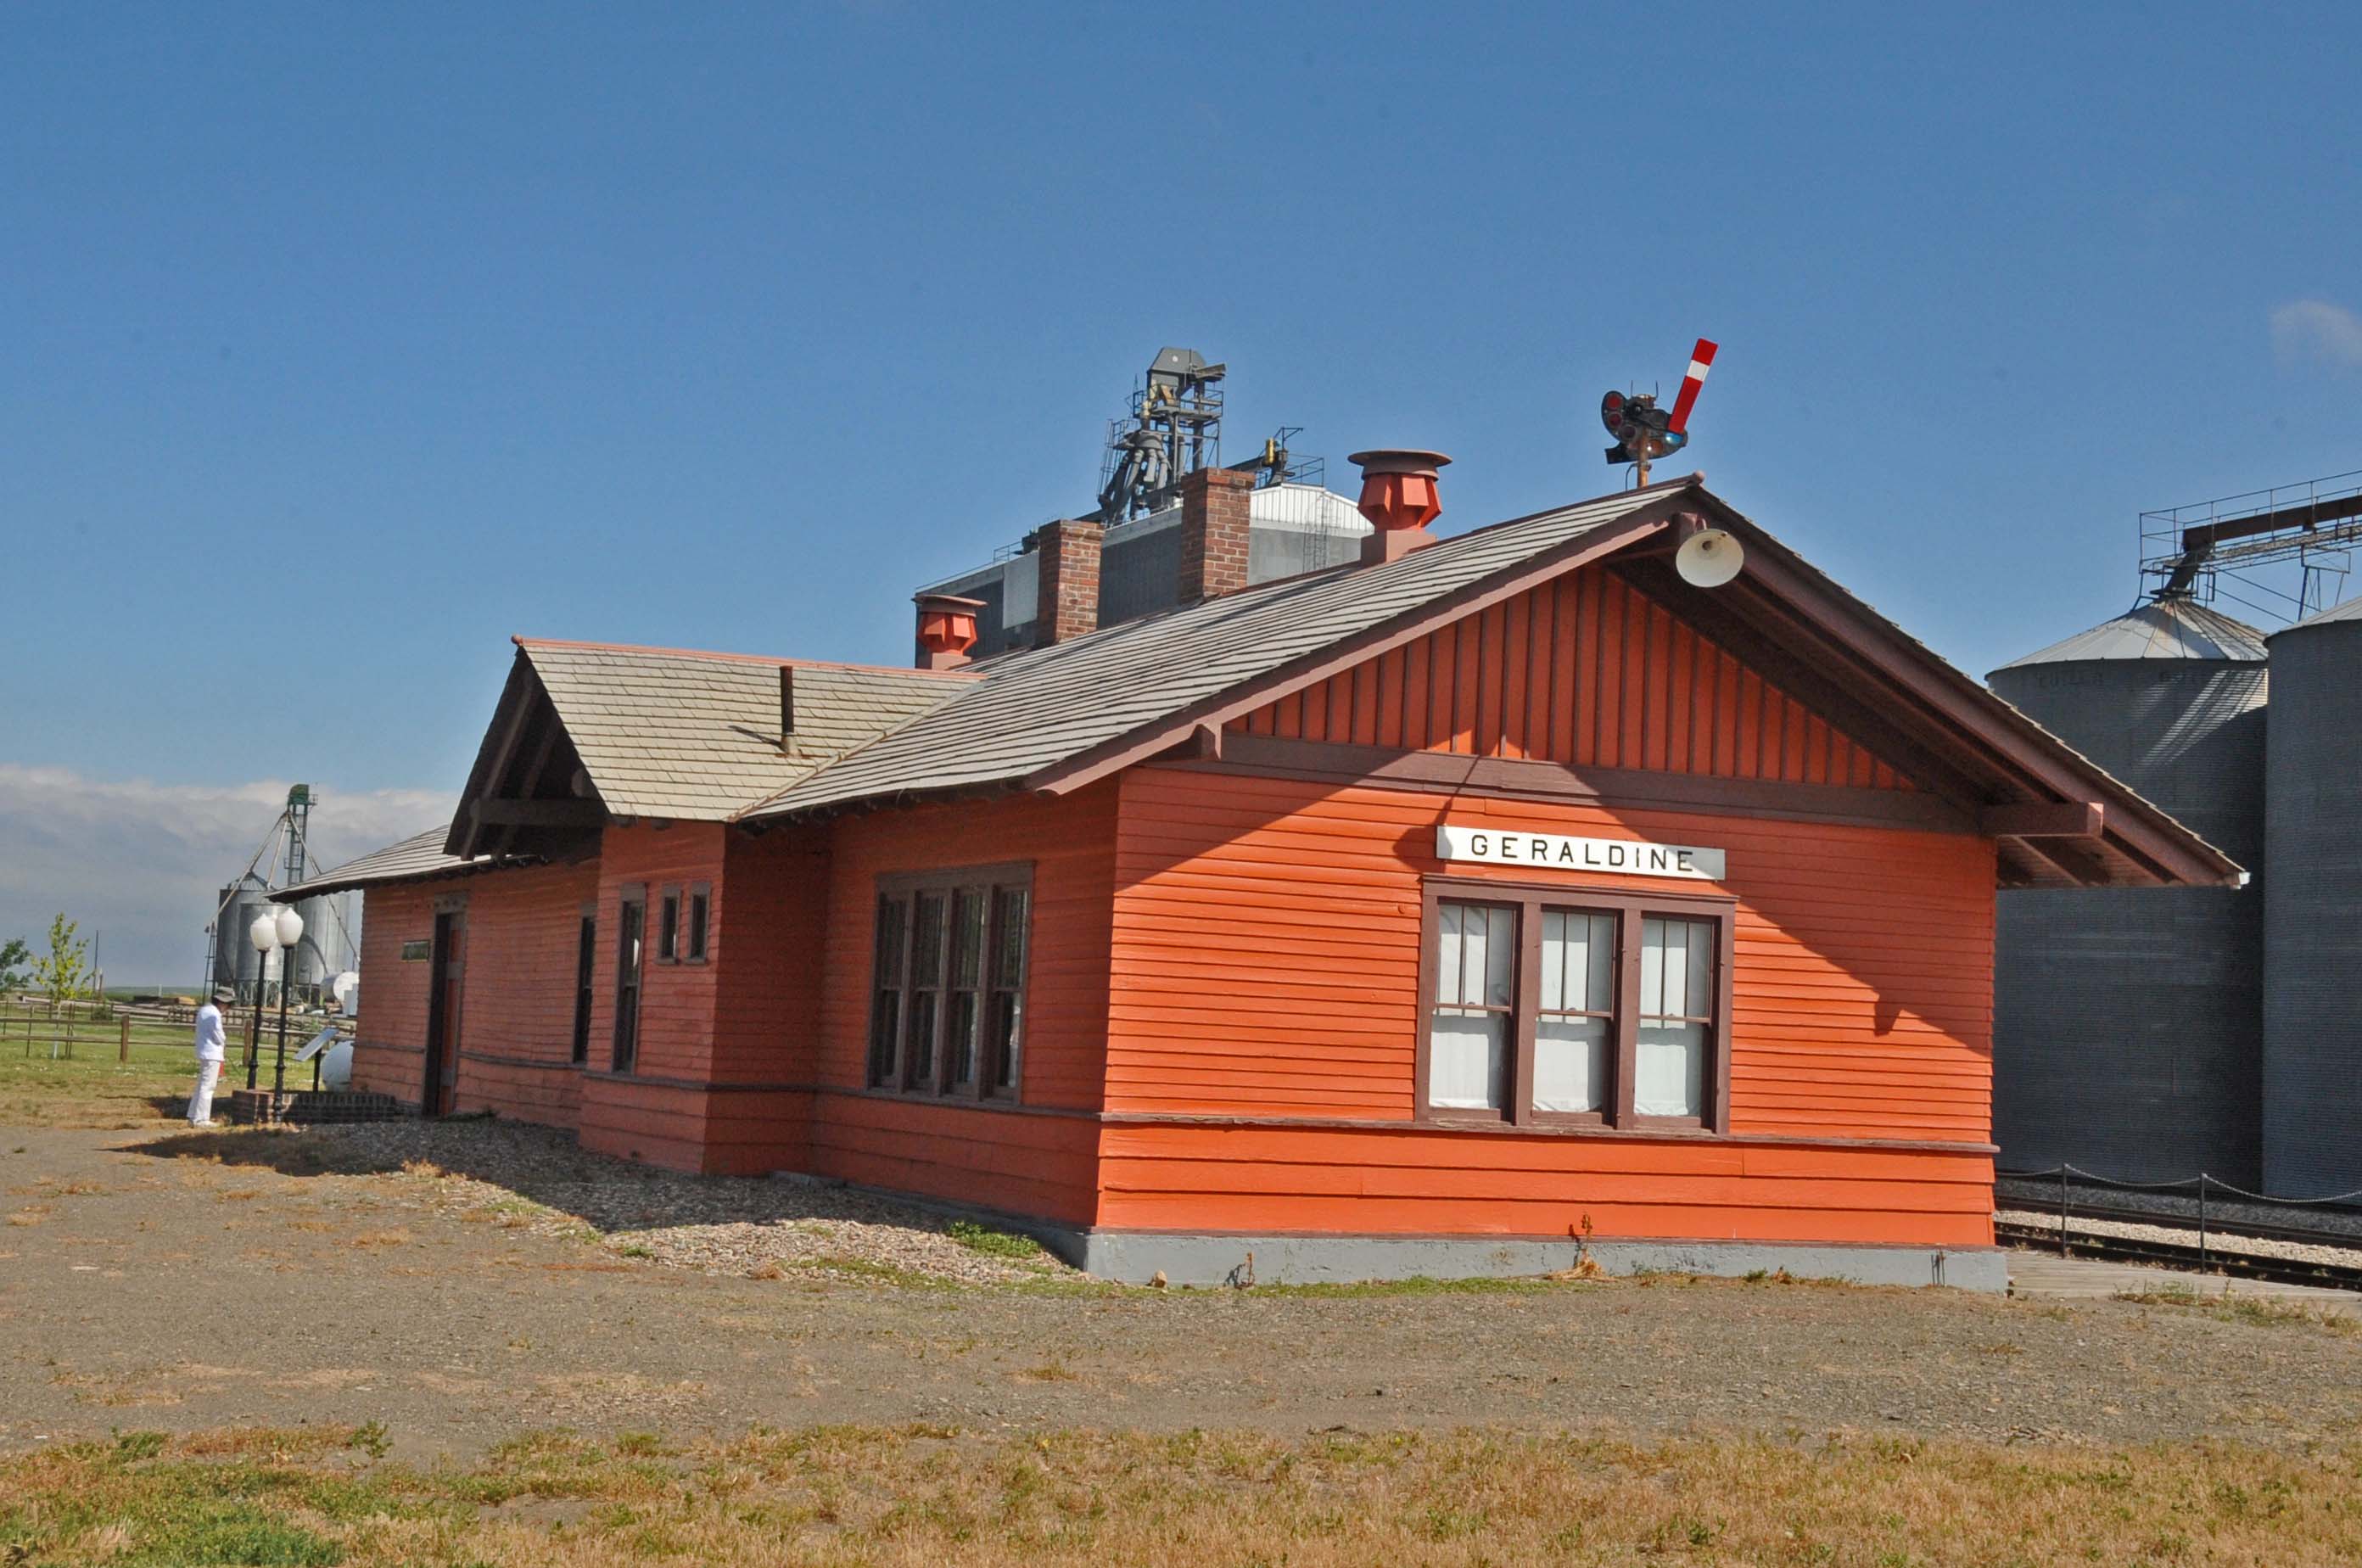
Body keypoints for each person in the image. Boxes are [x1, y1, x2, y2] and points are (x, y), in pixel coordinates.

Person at [188, 988, 232, 1126]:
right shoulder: (214, 1014)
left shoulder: (204, 1010)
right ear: (222, 1002)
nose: (227, 1008)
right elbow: (218, 1035)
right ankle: (201, 1119)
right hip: (212, 1052)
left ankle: (193, 1115)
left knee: (202, 1085)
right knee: (208, 1086)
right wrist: (224, 1040)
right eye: (228, 1004)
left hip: (205, 1051)